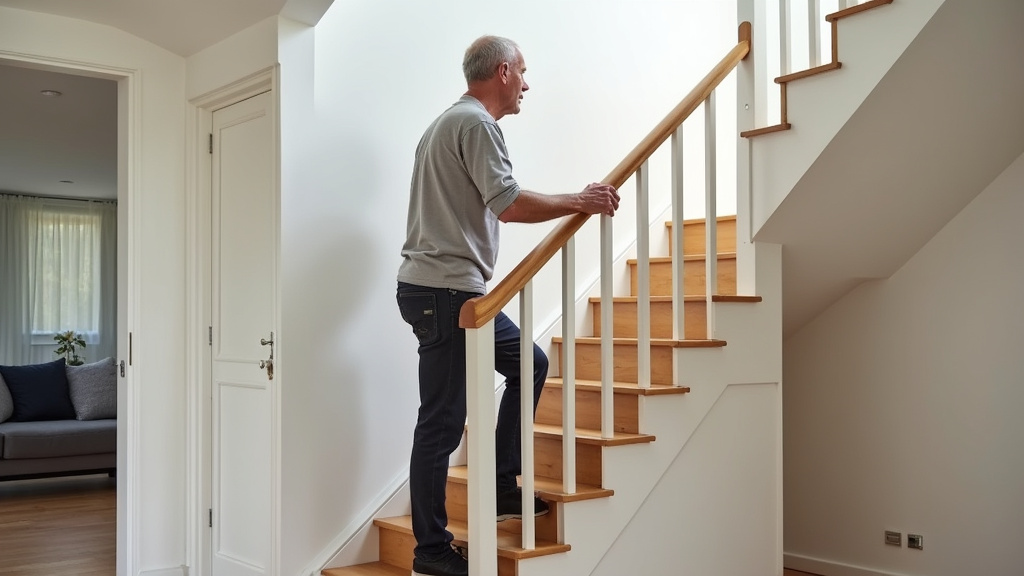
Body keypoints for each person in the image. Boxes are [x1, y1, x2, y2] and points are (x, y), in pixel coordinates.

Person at [396, 35, 620, 576]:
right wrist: (580, 201)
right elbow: (509, 203)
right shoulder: (475, 124)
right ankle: (430, 551)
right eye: (522, 72)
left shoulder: (447, 124)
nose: (526, 83)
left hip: (454, 290)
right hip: (445, 292)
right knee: (442, 423)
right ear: (502, 71)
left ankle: (499, 484)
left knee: (530, 362)